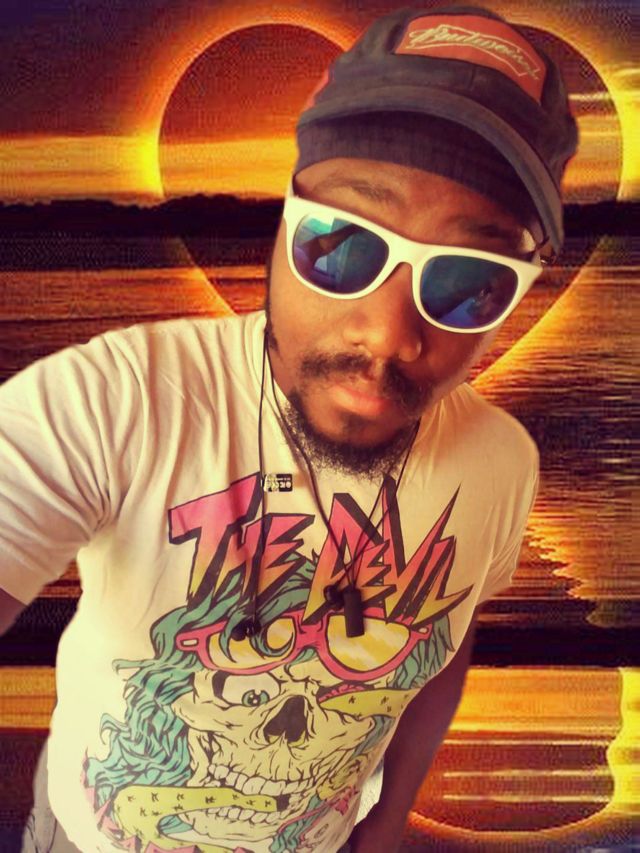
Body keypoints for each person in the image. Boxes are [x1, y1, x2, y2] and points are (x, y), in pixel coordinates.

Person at [0, 5, 578, 852]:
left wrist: (387, 817)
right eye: (344, 246)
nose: (387, 335)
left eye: (468, 282)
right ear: (284, 215)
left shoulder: (500, 465)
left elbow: (441, 642)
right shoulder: (118, 400)